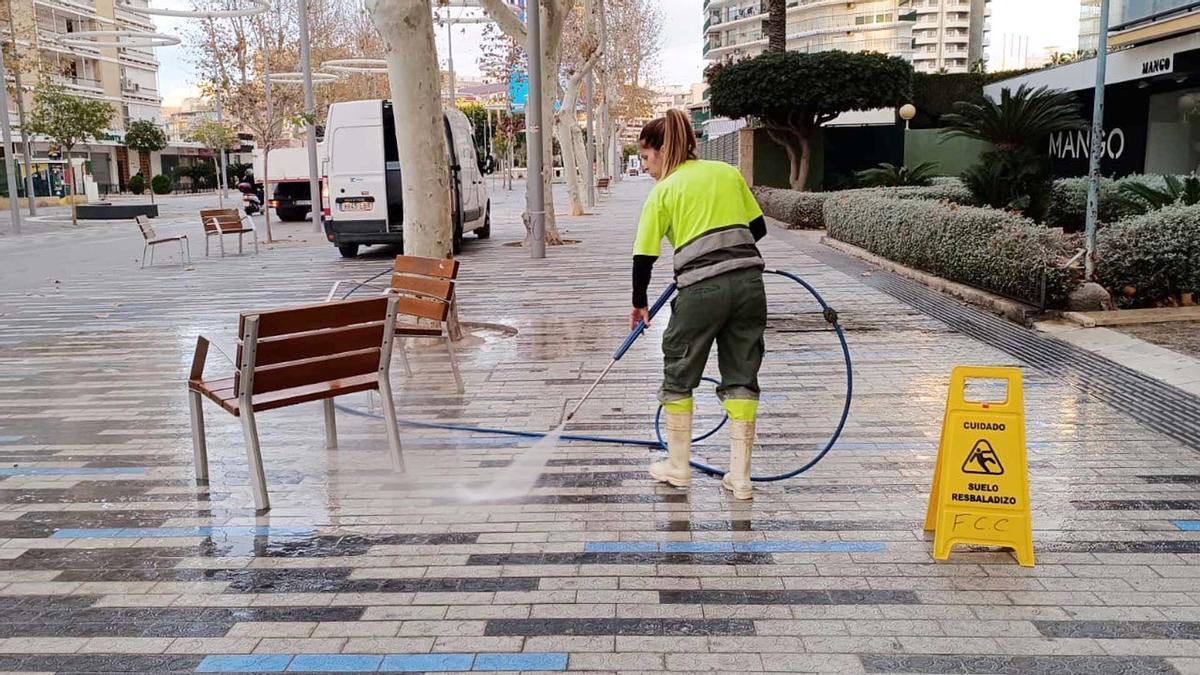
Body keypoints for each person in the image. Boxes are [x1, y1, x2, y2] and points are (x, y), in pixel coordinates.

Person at [630, 109, 768, 500]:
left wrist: (639, 304)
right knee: (742, 372)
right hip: (748, 287)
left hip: (700, 293)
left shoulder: (664, 191)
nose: (645, 166)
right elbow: (758, 228)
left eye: (645, 157)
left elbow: (644, 256)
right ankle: (740, 478)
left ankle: (678, 467)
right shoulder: (726, 173)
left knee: (679, 371)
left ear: (662, 150)